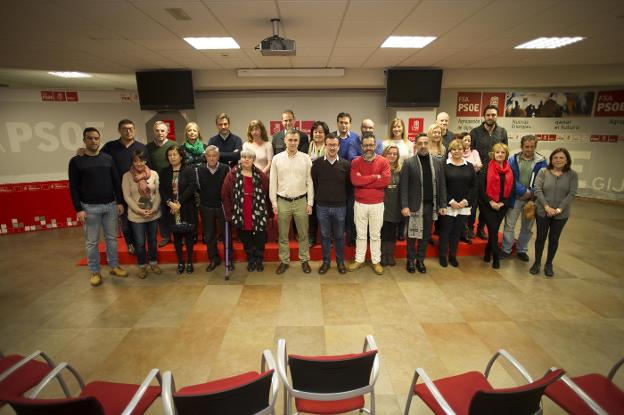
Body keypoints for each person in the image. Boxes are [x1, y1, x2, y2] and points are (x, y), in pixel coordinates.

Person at [68, 127, 128, 286]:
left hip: (110, 206)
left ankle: (114, 266)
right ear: (84, 140)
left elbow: (116, 182)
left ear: (99, 139)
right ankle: (95, 272)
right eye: (90, 138)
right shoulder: (76, 161)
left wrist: (119, 201)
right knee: (92, 242)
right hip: (89, 208)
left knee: (112, 240)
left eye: (96, 138)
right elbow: (73, 187)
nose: (93, 141)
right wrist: (78, 209)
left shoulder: (108, 159)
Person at [101, 119, 149, 256]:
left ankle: (141, 245)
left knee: (140, 221)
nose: (128, 131)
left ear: (134, 130)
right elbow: (98, 157)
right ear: (119, 130)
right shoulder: (110, 147)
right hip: (120, 191)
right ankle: (130, 244)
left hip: (139, 191)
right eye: (124, 129)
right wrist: (82, 152)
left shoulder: (141, 146)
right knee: (126, 222)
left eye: (130, 129)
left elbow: (148, 167)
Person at [400, 134, 446, 274]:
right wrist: (404, 205)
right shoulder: (409, 163)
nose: (423, 146)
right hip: (414, 206)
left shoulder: (438, 162)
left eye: (426, 143)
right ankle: (410, 260)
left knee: (426, 235)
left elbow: (442, 185)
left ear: (429, 144)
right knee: (412, 236)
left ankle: (420, 260)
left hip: (430, 206)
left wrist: (442, 204)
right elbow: (404, 187)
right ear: (416, 146)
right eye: (420, 143)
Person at [269, 129, 314, 274]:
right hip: (282, 201)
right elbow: (273, 182)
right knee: (283, 235)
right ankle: (284, 261)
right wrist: (274, 203)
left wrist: (310, 202)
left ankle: (305, 260)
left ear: (299, 141)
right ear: (285, 141)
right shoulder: (277, 159)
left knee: (303, 234)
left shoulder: (306, 158)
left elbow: (309, 181)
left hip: (301, 200)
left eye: (295, 140)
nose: (293, 143)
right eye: (290, 140)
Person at [348, 133, 391, 275]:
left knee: (375, 235)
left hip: (377, 204)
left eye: (371, 145)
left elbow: (385, 182)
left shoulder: (383, 161)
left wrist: (364, 180)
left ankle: (375, 261)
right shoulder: (355, 162)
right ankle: (359, 260)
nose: (368, 148)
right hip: (360, 204)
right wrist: (374, 177)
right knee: (360, 235)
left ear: (375, 145)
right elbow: (355, 181)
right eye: (366, 145)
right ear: (361, 146)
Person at [222, 150, 271, 272]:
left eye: (249, 157)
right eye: (244, 157)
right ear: (240, 159)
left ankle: (259, 260)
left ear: (253, 160)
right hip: (241, 213)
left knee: (260, 238)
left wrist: (268, 212)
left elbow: (267, 194)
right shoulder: (232, 175)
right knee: (246, 238)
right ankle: (250, 259)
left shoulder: (260, 175)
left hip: (258, 212)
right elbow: (225, 195)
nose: (246, 159)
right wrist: (229, 213)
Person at [531, 148, 578, 277]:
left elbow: (572, 193)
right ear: (551, 159)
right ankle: (537, 263)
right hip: (542, 212)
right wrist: (546, 207)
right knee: (540, 238)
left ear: (567, 160)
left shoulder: (572, 175)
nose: (558, 160)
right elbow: (537, 190)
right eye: (555, 158)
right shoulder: (543, 172)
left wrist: (559, 209)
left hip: (561, 215)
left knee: (554, 239)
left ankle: (549, 264)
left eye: (561, 157)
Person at [501, 135, 547, 262]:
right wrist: (523, 191)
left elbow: (543, 180)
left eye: (532, 147)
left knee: (527, 227)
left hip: (532, 200)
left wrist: (531, 193)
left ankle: (522, 250)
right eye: (526, 146)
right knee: (509, 225)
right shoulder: (513, 159)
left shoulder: (542, 161)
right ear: (522, 146)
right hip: (515, 197)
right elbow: (509, 178)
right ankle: (506, 249)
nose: (529, 149)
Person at [311, 133, 350, 275]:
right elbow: (314, 184)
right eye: (329, 145)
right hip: (322, 206)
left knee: (339, 236)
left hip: (340, 207)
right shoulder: (317, 164)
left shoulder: (346, 164)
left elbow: (348, 186)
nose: (332, 147)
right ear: (325, 146)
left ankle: (340, 262)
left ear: (339, 147)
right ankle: (326, 262)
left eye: (335, 145)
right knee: (325, 235)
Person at [470, 105, 508, 240]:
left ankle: (481, 228)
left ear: (496, 116)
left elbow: (505, 153)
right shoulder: (475, 132)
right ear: (484, 116)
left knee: (487, 205)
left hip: (494, 175)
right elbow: (470, 153)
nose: (491, 117)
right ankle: (470, 228)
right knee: (474, 204)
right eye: (488, 115)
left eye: (493, 115)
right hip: (477, 174)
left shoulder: (502, 132)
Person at [122, 150, 161, 279]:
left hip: (153, 214)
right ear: (132, 162)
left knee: (153, 241)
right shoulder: (127, 176)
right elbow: (127, 197)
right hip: (136, 216)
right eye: (136, 161)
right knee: (139, 243)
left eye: (142, 160)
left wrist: (154, 208)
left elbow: (158, 193)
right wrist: (139, 210)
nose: (139, 163)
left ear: (146, 161)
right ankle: (142, 266)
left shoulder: (154, 174)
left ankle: (154, 263)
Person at [439, 139, 477, 268]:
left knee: (457, 232)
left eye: (459, 149)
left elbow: (474, 186)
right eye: (454, 149)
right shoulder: (444, 165)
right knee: (445, 231)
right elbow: (441, 186)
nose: (457, 151)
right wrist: (451, 201)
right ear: (450, 151)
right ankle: (443, 256)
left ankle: (453, 256)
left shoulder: (469, 166)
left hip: (463, 206)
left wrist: (465, 201)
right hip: (448, 205)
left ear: (464, 150)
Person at [160, 145, 197, 274]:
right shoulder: (164, 172)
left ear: (181, 156)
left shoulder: (189, 170)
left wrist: (179, 203)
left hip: (186, 207)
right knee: (176, 237)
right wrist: (170, 203)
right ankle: (180, 262)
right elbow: (162, 190)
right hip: (171, 209)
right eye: (169, 155)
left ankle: (190, 262)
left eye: (174, 154)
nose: (172, 157)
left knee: (188, 236)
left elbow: (192, 187)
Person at [479, 143, 516, 269]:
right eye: (497, 152)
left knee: (494, 230)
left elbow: (512, 188)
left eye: (502, 152)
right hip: (487, 205)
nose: (500, 154)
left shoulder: (510, 169)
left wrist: (503, 203)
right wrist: (491, 202)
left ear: (506, 154)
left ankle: (487, 252)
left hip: (502, 205)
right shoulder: (486, 167)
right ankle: (496, 258)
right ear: (493, 154)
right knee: (494, 231)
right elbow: (481, 187)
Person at [197, 145, 231, 272]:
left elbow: (229, 189)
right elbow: (197, 189)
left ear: (218, 156)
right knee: (209, 235)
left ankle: (229, 259)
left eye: (214, 156)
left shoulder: (225, 168)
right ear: (205, 157)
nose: (211, 158)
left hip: (222, 206)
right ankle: (214, 259)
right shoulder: (199, 170)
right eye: (209, 156)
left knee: (226, 235)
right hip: (206, 207)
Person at [146, 120, 176, 247]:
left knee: (174, 209)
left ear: (167, 132)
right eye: (157, 130)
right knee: (161, 211)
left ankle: (178, 235)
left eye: (162, 130)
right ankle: (165, 236)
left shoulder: (173, 145)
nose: (160, 133)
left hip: (171, 182)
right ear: (153, 132)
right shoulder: (147, 147)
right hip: (155, 184)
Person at [456, 132, 482, 243]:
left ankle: (467, 231)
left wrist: (467, 166)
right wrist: (472, 165)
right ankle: (458, 232)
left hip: (471, 185)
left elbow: (479, 166)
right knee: (458, 210)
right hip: (458, 185)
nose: (467, 142)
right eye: (465, 140)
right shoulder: (454, 151)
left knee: (469, 210)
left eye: (469, 140)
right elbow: (455, 166)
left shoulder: (474, 152)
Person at [307, 121, 330, 246]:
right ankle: (312, 237)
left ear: (326, 134)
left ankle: (328, 237)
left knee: (326, 213)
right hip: (310, 184)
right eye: (315, 132)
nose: (318, 134)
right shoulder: (306, 146)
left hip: (326, 184)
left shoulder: (330, 146)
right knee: (312, 213)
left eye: (321, 132)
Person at [379, 144, 402, 267]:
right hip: (382, 206)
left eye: (395, 154)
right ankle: (382, 255)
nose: (392, 156)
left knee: (392, 233)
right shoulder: (379, 168)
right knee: (383, 232)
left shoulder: (400, 170)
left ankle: (390, 255)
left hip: (395, 206)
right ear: (385, 154)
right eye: (390, 153)